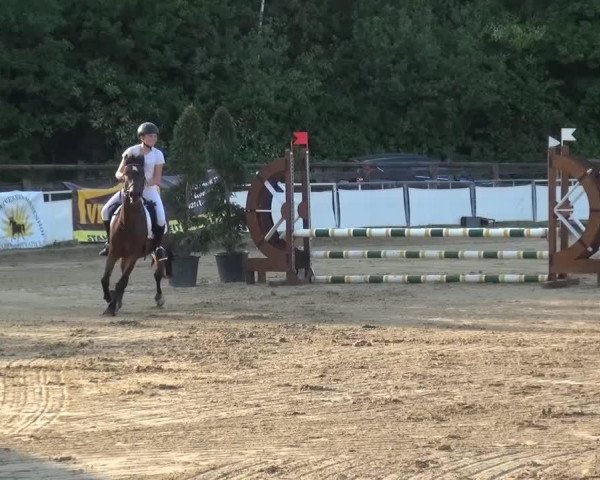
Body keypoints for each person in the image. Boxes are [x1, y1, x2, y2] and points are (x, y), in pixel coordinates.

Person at [99, 122, 167, 259]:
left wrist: (145, 182)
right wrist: (125, 179)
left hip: (149, 190)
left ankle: (158, 247)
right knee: (105, 211)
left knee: (161, 218)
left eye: (155, 136)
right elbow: (118, 173)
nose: (153, 138)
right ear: (142, 137)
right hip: (130, 189)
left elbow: (157, 179)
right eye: (150, 136)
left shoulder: (158, 154)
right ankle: (109, 242)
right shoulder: (131, 151)